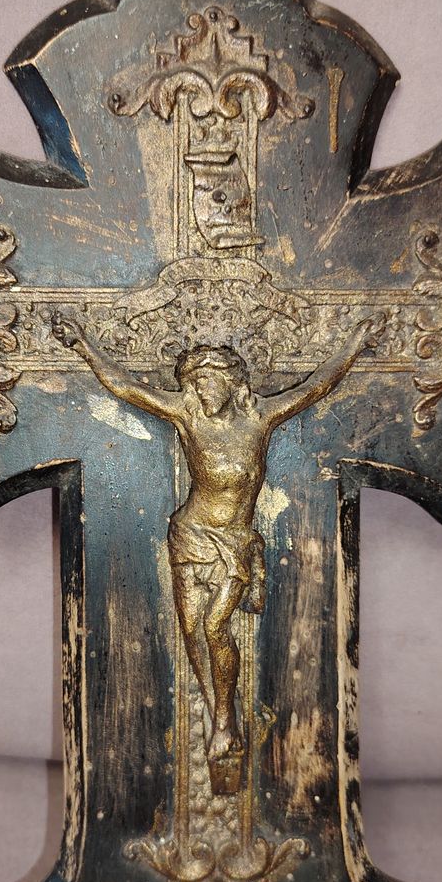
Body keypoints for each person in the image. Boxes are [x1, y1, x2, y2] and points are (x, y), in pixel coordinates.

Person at [50, 310, 384, 793]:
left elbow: (314, 389)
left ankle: (225, 716)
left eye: (209, 382)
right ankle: (217, 715)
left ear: (232, 383)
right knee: (191, 631)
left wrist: (354, 345)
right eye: (195, 384)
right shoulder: (187, 416)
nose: (202, 392)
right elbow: (126, 389)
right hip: (190, 535)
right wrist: (83, 344)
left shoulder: (261, 418)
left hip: (235, 542)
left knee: (214, 626)